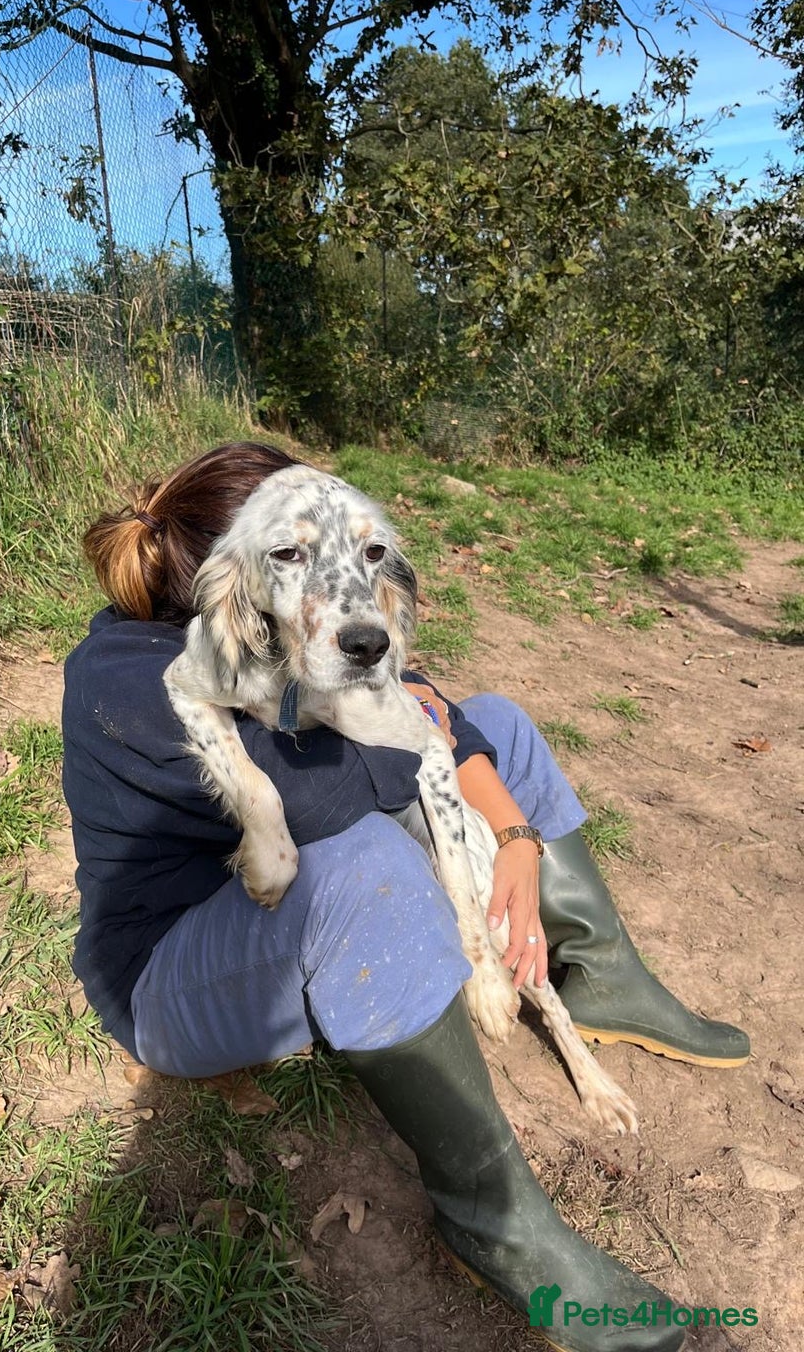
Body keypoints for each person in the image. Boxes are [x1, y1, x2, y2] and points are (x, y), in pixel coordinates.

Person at [62, 441, 749, 1352]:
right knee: (362, 861)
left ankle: (603, 976)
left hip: (267, 919)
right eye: (297, 555)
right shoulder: (136, 678)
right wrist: (423, 723)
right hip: (171, 979)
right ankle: (490, 1215)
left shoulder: (271, 627)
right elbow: (333, 791)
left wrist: (511, 833)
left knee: (497, 721)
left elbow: (436, 711)